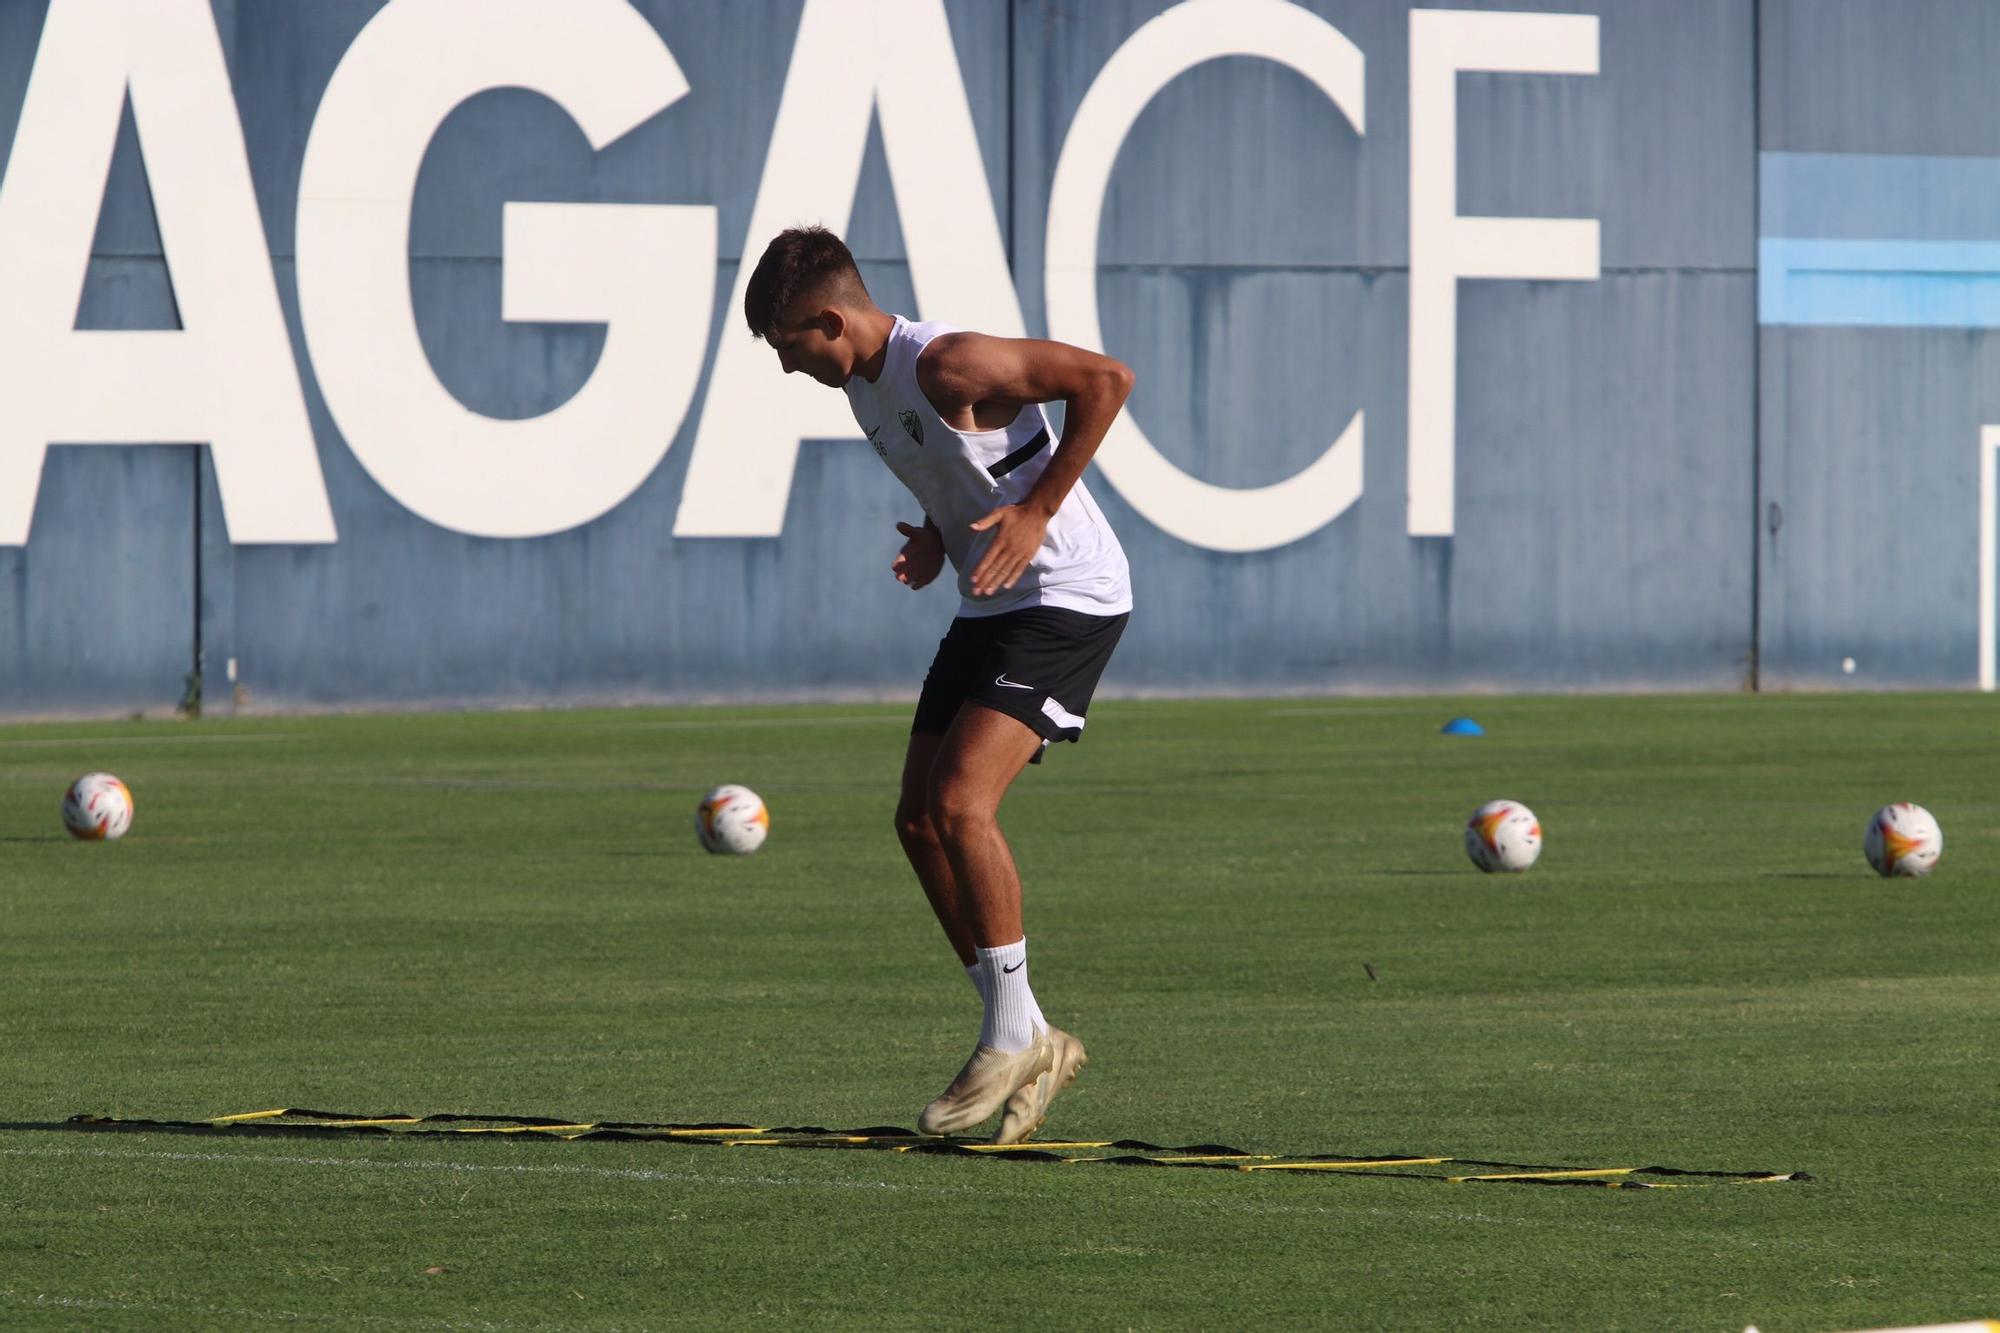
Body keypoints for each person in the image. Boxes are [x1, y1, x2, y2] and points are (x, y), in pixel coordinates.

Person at [743, 226, 1134, 1144]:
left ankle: (1006, 1036)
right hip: (992, 604)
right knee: (917, 819)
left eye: (788, 346)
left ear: (829, 320)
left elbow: (1105, 380)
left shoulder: (949, 361)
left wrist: (1038, 512)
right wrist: (936, 532)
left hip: (1068, 598)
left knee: (963, 805)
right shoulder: (864, 388)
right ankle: (1033, 1031)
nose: (787, 367)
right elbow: (965, 463)